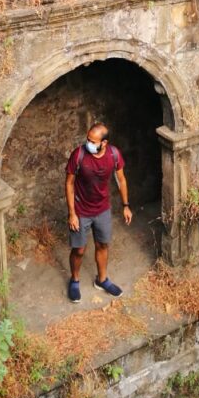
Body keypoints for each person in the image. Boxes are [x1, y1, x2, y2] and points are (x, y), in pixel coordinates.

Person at [64, 122, 132, 302]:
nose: (88, 144)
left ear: (104, 143)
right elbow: (69, 183)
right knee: (79, 249)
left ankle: (102, 280)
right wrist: (72, 213)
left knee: (103, 245)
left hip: (102, 209)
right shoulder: (78, 155)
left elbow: (122, 180)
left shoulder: (114, 155)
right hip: (81, 210)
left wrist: (126, 205)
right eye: (87, 139)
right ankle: (75, 280)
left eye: (93, 141)